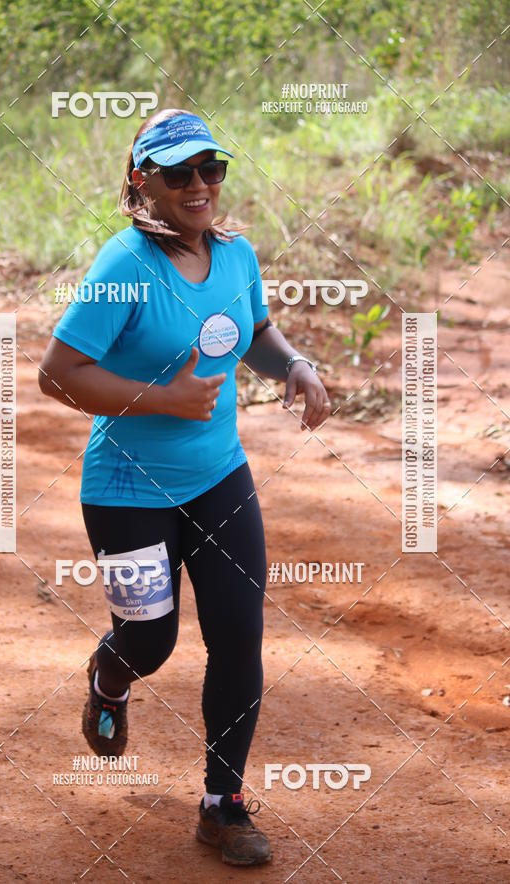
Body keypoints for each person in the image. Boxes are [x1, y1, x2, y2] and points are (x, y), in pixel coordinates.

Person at [39, 108, 330, 867]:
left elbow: (255, 331)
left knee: (238, 635)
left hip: (220, 477)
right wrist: (162, 399)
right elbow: (57, 374)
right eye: (179, 173)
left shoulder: (236, 256)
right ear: (144, 182)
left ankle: (222, 805)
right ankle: (111, 675)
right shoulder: (122, 266)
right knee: (150, 639)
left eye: (211, 168)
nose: (200, 185)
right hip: (125, 490)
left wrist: (296, 366)